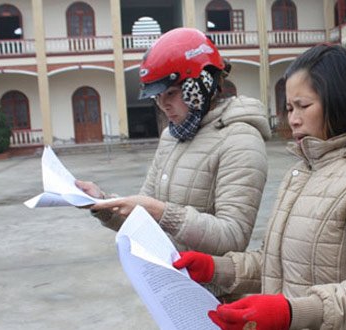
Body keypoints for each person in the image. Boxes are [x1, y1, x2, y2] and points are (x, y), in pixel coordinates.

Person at [173, 44, 346, 330]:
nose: (293, 118)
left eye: (304, 106)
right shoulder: (303, 171)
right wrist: (215, 268)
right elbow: (276, 261)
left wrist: (290, 312)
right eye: (289, 108)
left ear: (340, 101)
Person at [76, 27, 271, 258]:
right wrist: (103, 203)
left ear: (202, 86)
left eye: (171, 93)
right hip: (169, 280)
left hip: (211, 289)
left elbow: (233, 236)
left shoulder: (239, 139)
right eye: (157, 97)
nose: (162, 105)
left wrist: (162, 212)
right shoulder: (172, 136)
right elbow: (144, 215)